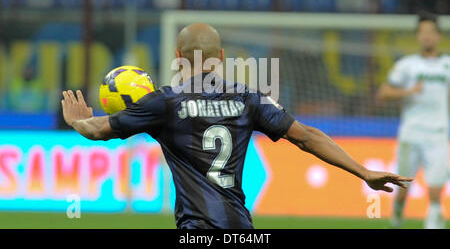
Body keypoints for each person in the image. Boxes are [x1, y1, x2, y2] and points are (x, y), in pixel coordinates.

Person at [61, 23, 412, 229]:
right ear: (223, 57)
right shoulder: (249, 98)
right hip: (241, 228)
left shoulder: (163, 103)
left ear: (179, 57)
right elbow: (307, 137)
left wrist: (77, 121)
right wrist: (364, 172)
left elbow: (99, 130)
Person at [378, 13, 449, 229]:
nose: (427, 37)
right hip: (411, 134)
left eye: (431, 32)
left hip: (437, 134)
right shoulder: (407, 65)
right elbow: (384, 93)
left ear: (439, 36)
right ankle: (398, 213)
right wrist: (409, 90)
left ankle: (433, 222)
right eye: (423, 32)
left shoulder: (447, 64)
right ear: (417, 36)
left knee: (436, 189)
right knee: (402, 187)